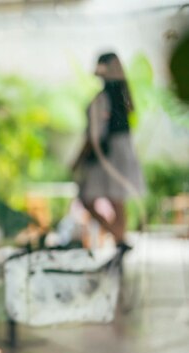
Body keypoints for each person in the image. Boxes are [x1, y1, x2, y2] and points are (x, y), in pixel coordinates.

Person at [72, 52, 145, 251]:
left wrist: (78, 160)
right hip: (114, 155)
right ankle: (119, 238)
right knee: (113, 200)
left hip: (109, 156)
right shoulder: (114, 99)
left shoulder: (107, 100)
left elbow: (94, 137)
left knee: (110, 199)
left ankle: (119, 238)